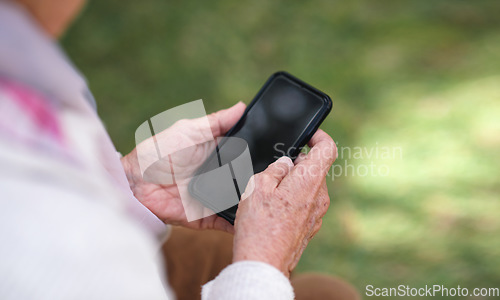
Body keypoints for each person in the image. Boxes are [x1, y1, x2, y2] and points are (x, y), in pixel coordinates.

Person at [0, 0, 360, 299]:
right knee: (329, 294)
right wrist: (265, 261)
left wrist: (132, 187)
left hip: (93, 227)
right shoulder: (48, 251)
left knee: (229, 253)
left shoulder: (20, 75)